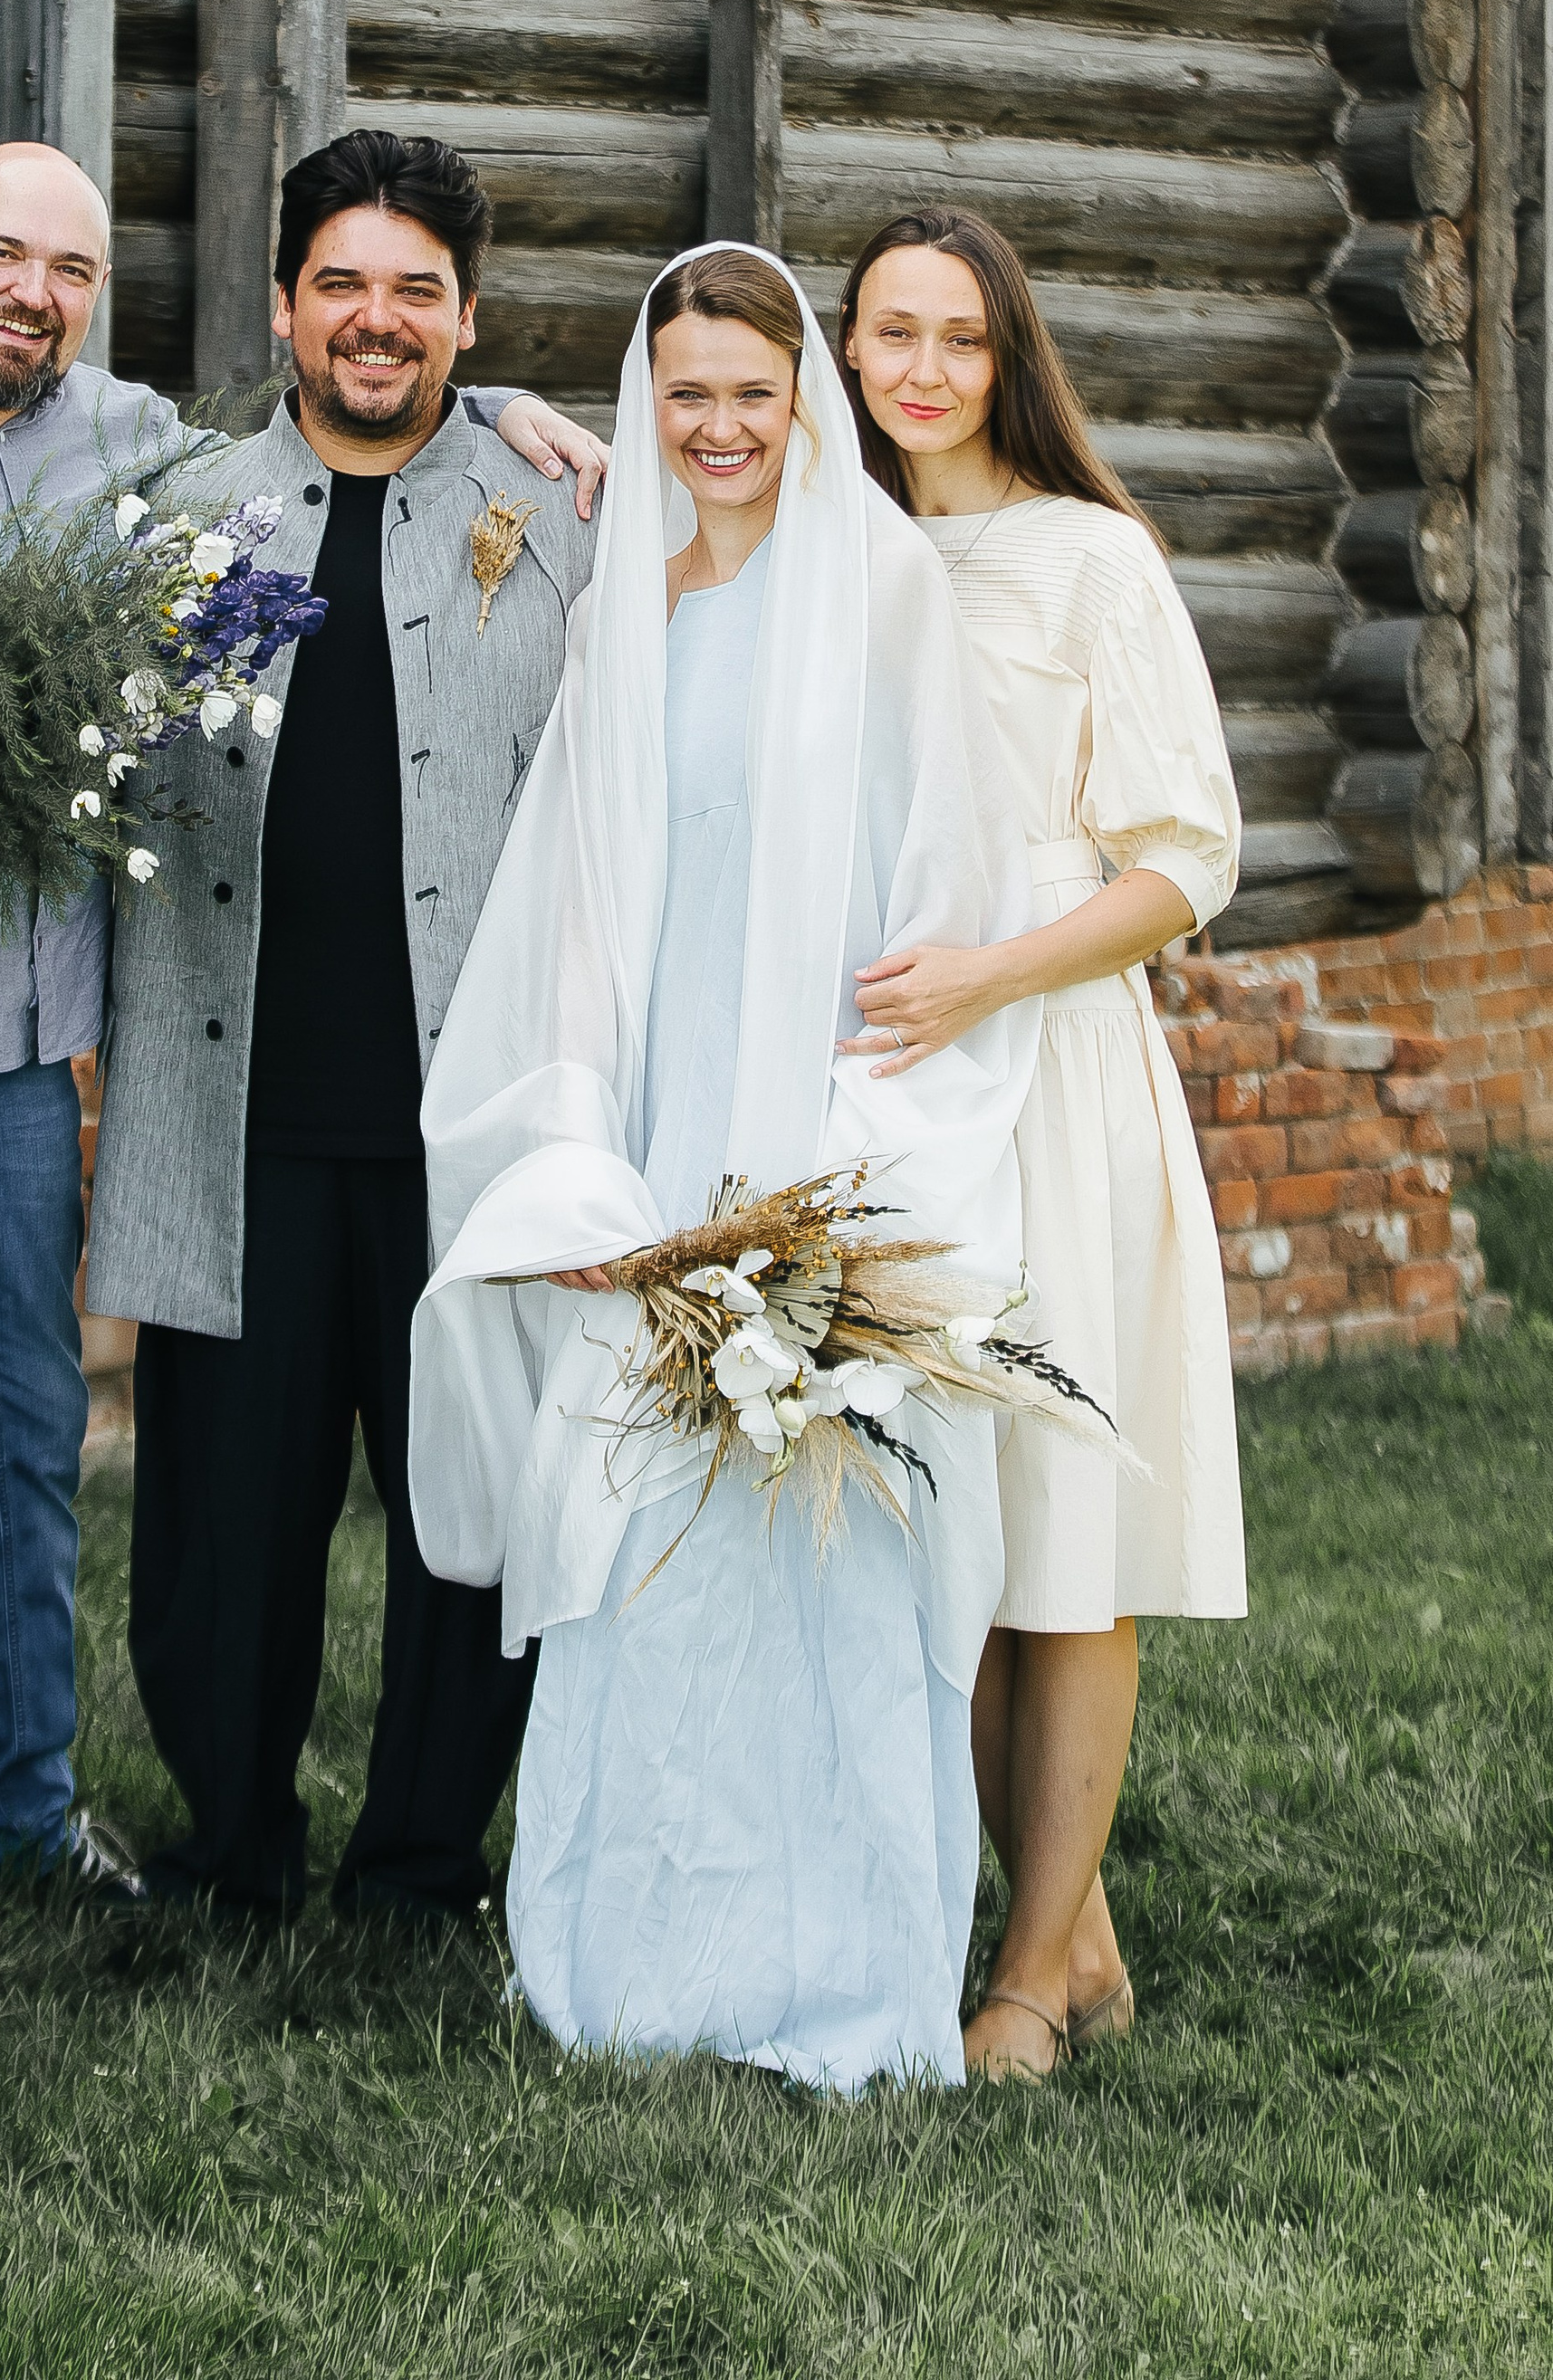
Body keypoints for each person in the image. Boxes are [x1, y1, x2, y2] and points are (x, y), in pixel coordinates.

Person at [0, 136, 602, 1995]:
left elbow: (386, 421)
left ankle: (72, 1817)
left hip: (78, 1069)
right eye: (2, 254)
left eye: (69, 270)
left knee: (57, 1457)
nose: (32, 294)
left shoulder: (155, 454)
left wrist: (513, 417)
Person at [408, 244, 1040, 2087]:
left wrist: (856, 1170)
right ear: (646, 396)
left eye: (751, 393)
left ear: (804, 397)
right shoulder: (628, 604)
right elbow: (580, 900)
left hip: (827, 1142)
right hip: (661, 1151)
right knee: (653, 1543)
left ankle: (845, 1974)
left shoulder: (885, 588)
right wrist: (577, 1158)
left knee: (831, 1545)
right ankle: (636, 1968)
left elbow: (948, 887)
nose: (718, 426)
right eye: (684, 393)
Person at [84, 131, 602, 1928]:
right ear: (283, 304)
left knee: (472, 1515)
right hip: (232, 1113)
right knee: (221, 1528)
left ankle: (420, 1866)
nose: (375, 321)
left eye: (414, 292)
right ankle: (230, 1851)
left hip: (473, 1122)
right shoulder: (174, 516)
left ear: (467, 316)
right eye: (342, 286)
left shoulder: (560, 520)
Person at [836, 206, 1247, 2080]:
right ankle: (1068, 1935)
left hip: (1053, 1069)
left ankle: (1022, 1983)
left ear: (1007, 358)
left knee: (1064, 1532)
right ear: (846, 354)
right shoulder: (833, 551)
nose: (921, 370)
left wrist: (990, 976)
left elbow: (1184, 860)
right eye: (889, 334)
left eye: (960, 337)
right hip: (889, 1089)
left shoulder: (1092, 559)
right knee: (950, 1531)